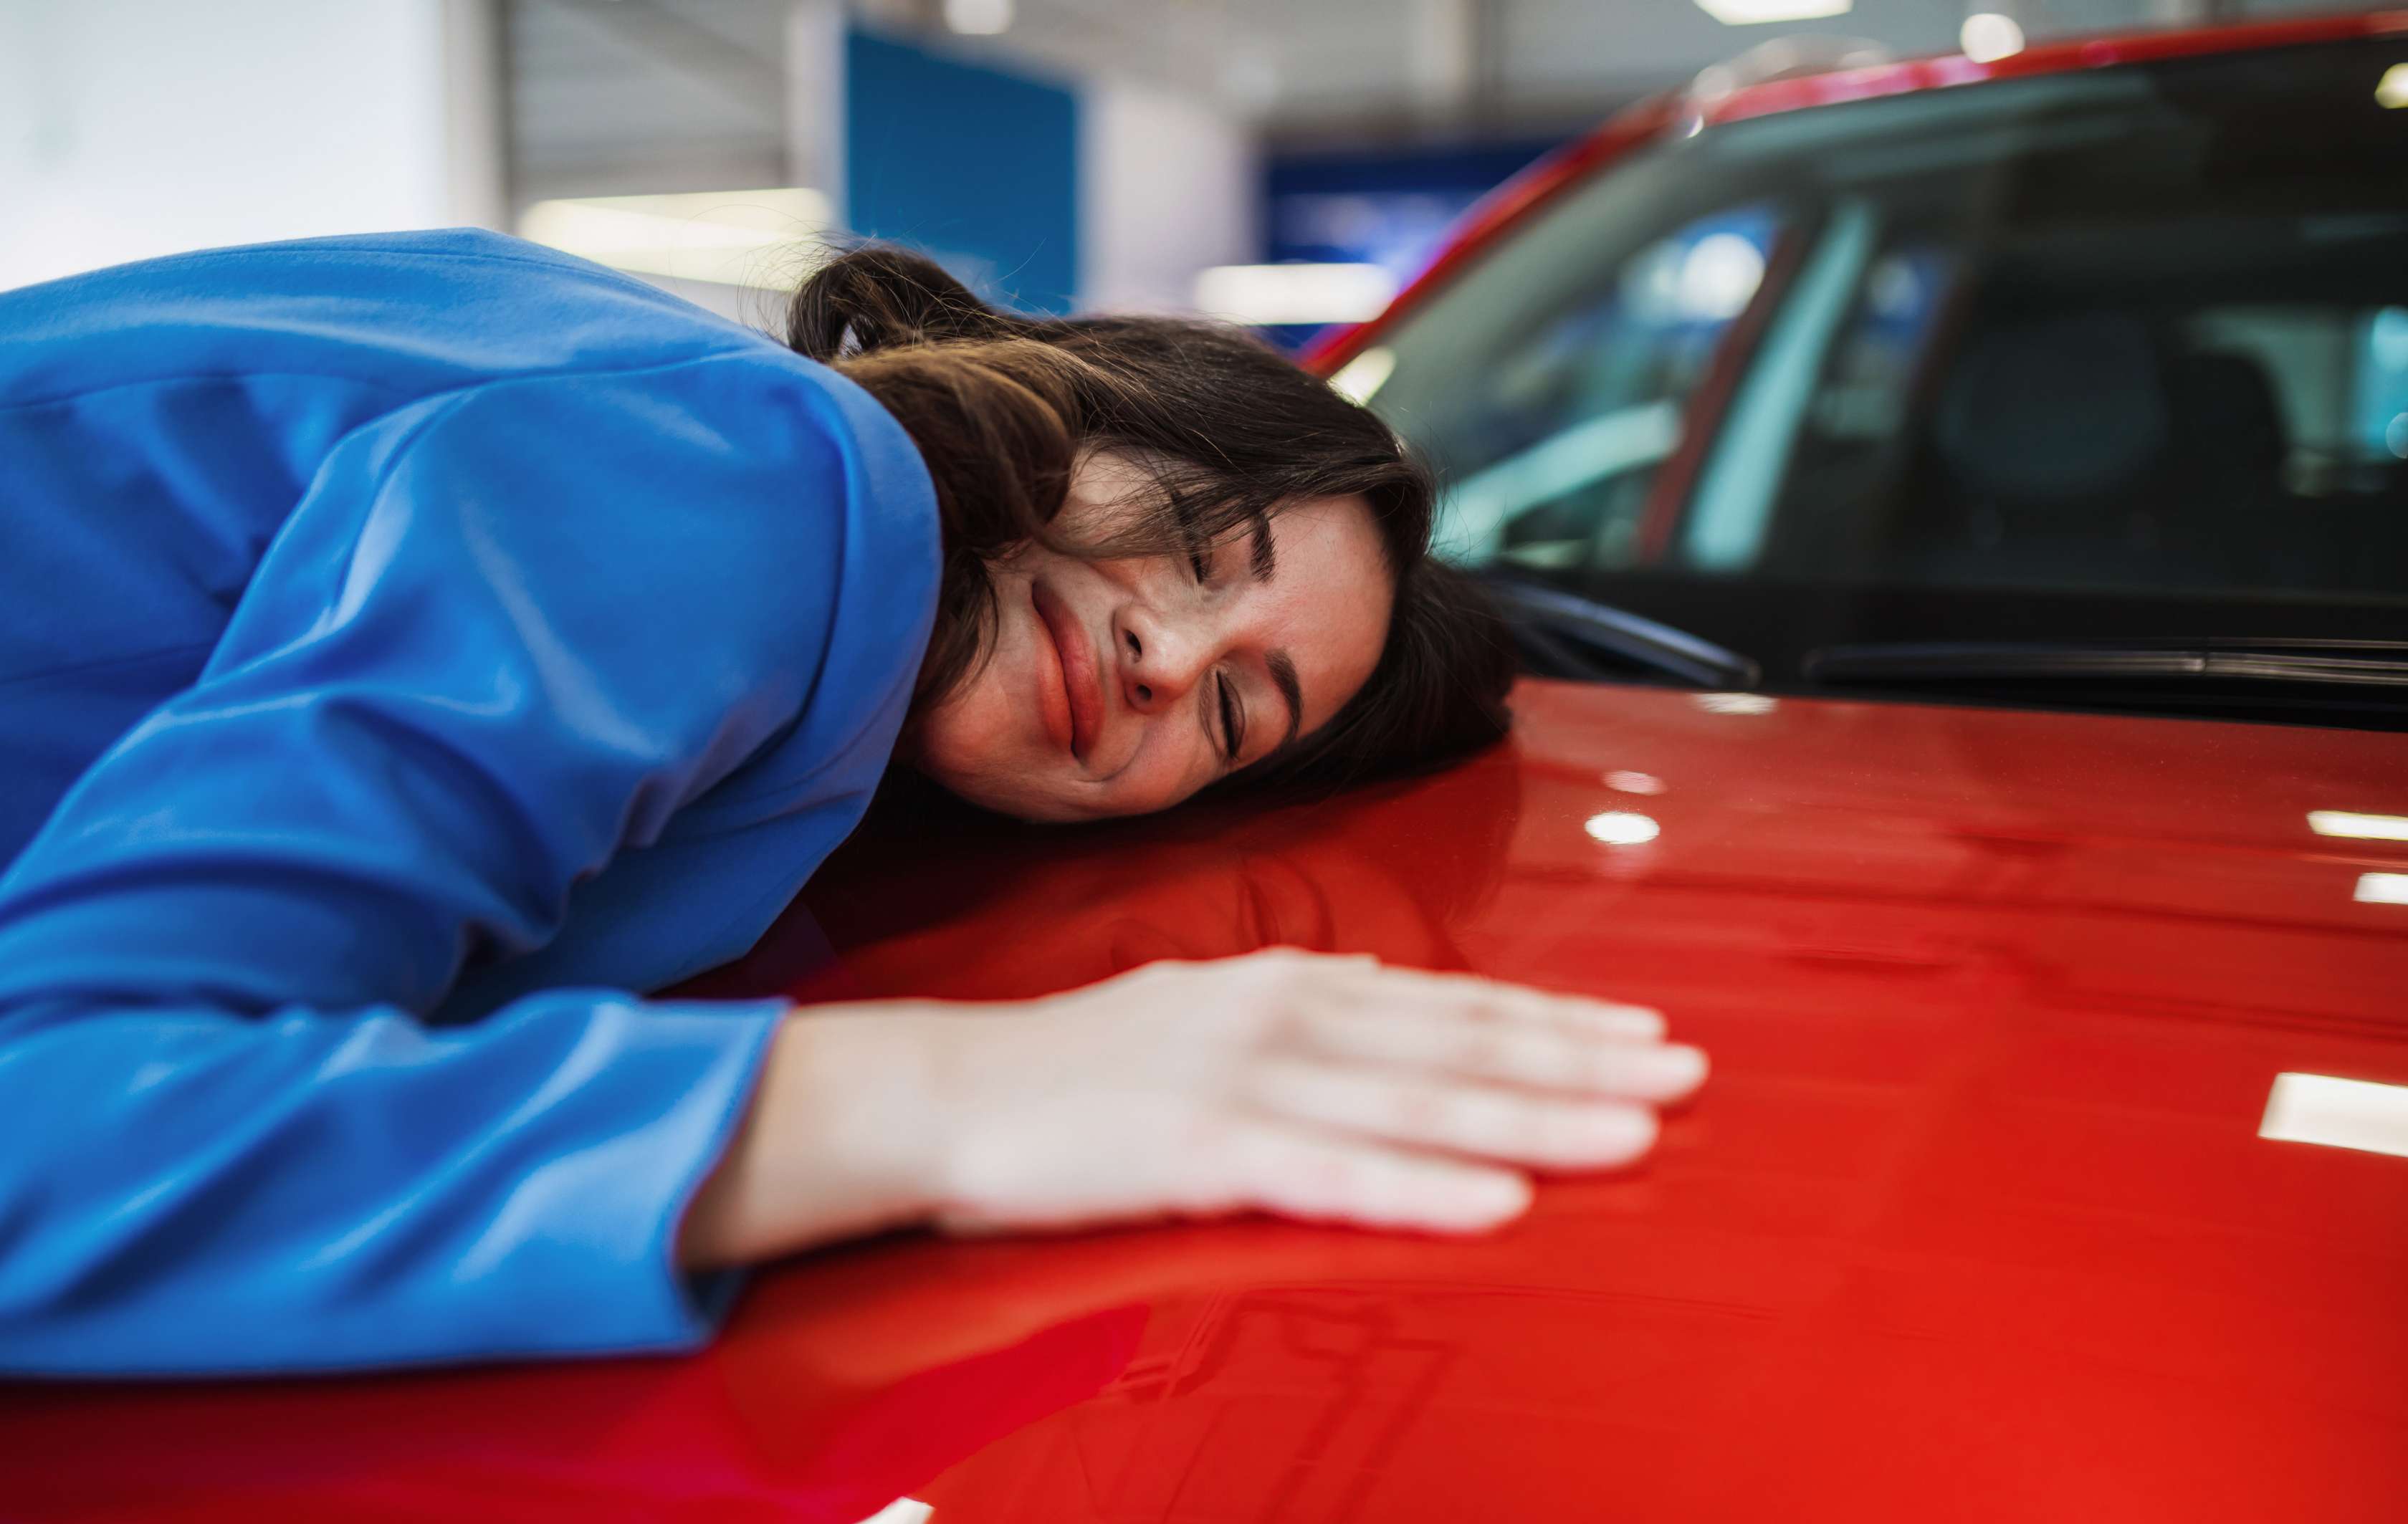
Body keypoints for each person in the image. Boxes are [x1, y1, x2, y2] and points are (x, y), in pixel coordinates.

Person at [0, 230, 1707, 1376]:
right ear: (1078, 401)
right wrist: (944, 1092)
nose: (1163, 657)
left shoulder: (737, 513)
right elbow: (46, 1124)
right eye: (1194, 542)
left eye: (1241, 711)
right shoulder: (754, 475)